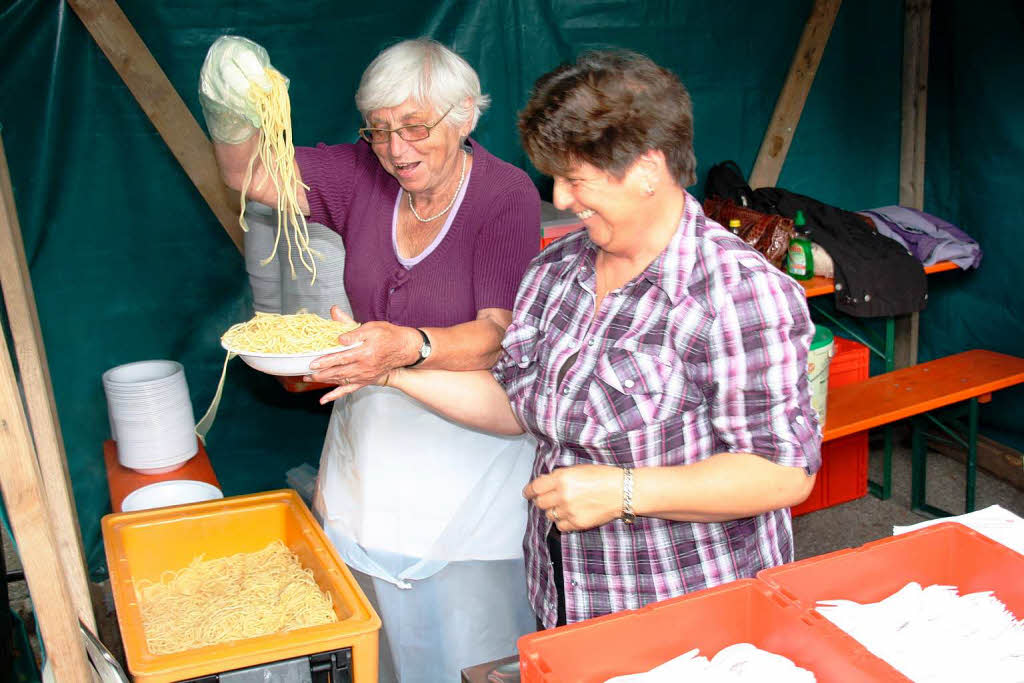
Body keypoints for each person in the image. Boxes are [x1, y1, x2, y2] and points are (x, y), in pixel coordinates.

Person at [319, 49, 822, 629]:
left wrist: (626, 492)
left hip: (684, 605)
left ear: (647, 170)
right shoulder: (557, 271)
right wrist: (389, 371)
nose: (559, 199)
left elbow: (783, 472)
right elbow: (517, 405)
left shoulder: (737, 293)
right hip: (565, 591)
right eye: (554, 177)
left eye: (574, 178)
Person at [198, 36, 540, 680]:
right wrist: (229, 107)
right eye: (379, 130)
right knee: (379, 633)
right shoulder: (362, 173)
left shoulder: (505, 193)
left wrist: (410, 348)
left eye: (415, 127)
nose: (396, 150)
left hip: (466, 440)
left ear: (465, 114)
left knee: (466, 638)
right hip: (372, 436)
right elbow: (250, 173)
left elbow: (499, 334)